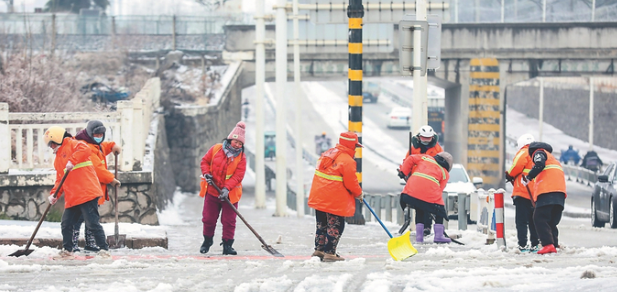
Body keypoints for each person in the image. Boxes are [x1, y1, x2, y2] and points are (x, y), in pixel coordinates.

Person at [44, 126, 111, 259]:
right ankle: (68, 250)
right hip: (73, 196)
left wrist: (72, 160)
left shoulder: (73, 143)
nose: (51, 147)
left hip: (87, 192)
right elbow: (59, 180)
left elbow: (85, 149)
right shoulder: (58, 159)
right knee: (66, 223)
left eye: (51, 143)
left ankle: (104, 249)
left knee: (92, 223)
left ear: (57, 139)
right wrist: (54, 194)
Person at [308, 132, 363, 262]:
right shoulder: (347, 160)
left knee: (322, 224)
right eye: (355, 145)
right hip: (333, 199)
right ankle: (330, 253)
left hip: (319, 196)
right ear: (351, 145)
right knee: (336, 225)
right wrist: (359, 193)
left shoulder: (327, 153)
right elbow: (351, 182)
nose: (355, 148)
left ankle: (319, 250)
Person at [72, 120, 122, 253]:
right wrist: (112, 179)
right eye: (96, 134)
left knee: (91, 218)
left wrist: (113, 146)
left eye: (101, 135)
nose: (99, 137)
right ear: (89, 134)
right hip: (86, 189)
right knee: (79, 218)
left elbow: (103, 147)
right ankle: (73, 244)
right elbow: (97, 169)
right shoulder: (87, 148)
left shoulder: (96, 145)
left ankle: (90, 243)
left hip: (93, 190)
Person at [199, 121, 247, 255]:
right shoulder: (216, 149)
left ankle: (227, 245)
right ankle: (207, 241)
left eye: (240, 144)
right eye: (235, 142)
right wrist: (206, 173)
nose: (237, 145)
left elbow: (238, 176)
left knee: (229, 221)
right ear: (230, 139)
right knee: (208, 219)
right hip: (213, 191)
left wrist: (226, 188)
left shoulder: (241, 158)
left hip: (230, 195)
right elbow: (205, 162)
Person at [398, 152, 454, 244]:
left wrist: (404, 172)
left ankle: (419, 237)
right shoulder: (445, 173)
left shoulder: (425, 158)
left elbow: (411, 158)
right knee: (440, 212)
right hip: (428, 198)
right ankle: (439, 236)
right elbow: (439, 190)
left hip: (407, 195)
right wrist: (433, 205)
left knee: (419, 209)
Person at [522, 142, 567, 255]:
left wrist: (529, 177)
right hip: (560, 194)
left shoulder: (539, 152)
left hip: (548, 192)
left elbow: (539, 164)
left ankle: (548, 245)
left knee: (539, 217)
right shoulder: (553, 159)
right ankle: (553, 245)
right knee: (551, 221)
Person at [399, 125, 443, 236]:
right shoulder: (413, 149)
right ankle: (422, 230)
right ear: (419, 137)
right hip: (416, 180)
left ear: (432, 138)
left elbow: (441, 165)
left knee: (427, 204)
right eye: (424, 138)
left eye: (428, 139)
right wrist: (403, 172)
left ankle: (426, 228)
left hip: (430, 180)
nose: (426, 141)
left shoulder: (437, 150)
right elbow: (407, 161)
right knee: (419, 206)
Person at [505, 134, 540, 252]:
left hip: (523, 191)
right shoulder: (538, 154)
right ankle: (535, 244)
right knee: (534, 221)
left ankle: (522, 245)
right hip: (535, 193)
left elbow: (516, 166)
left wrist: (509, 174)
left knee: (521, 221)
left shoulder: (524, 152)